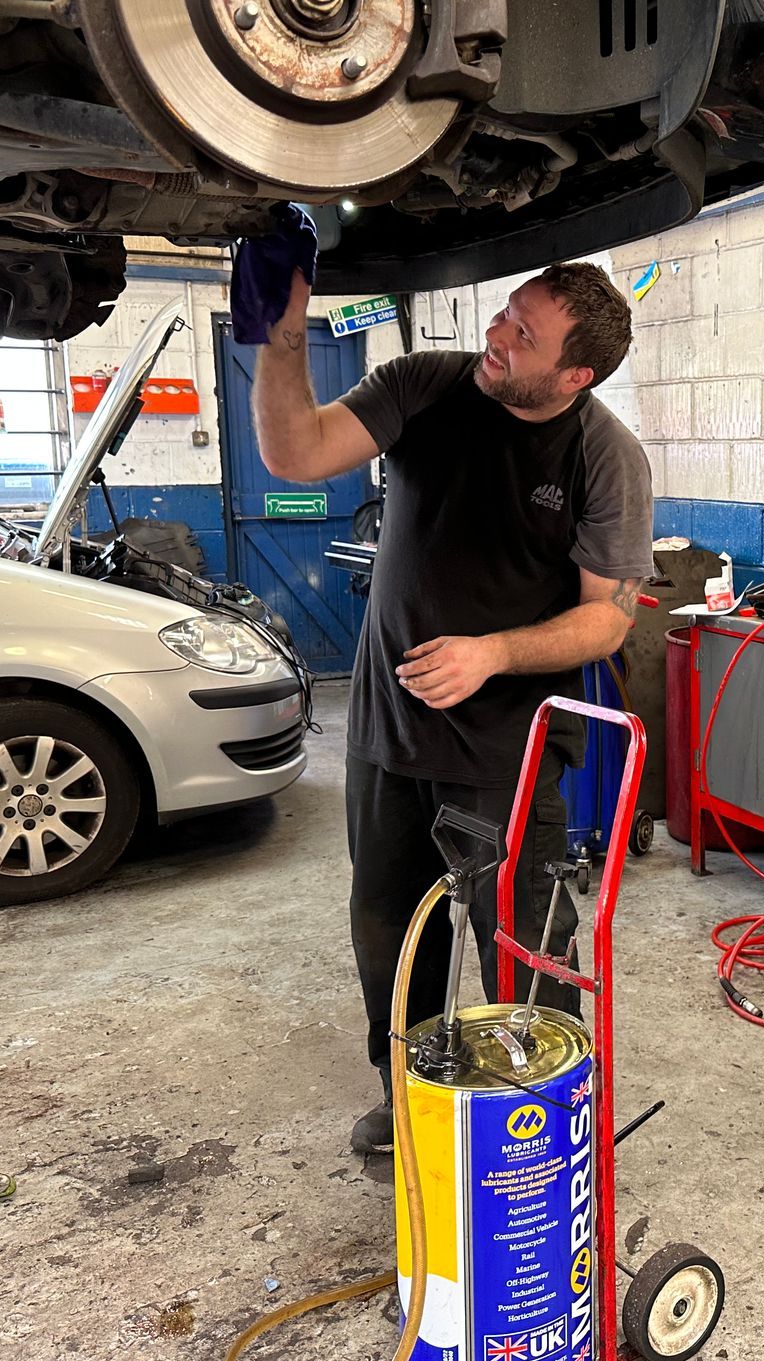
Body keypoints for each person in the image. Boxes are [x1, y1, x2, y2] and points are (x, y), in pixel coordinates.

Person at [249, 262, 653, 1156]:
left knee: (525, 947)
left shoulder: (601, 453)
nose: (498, 339)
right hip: (388, 739)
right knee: (389, 938)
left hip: (506, 752)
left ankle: (545, 1127)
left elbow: (607, 616)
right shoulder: (428, 385)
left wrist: (496, 652)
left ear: (576, 375)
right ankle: (412, 1100)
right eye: (505, 317)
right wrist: (279, 337)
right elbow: (295, 453)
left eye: (525, 336)